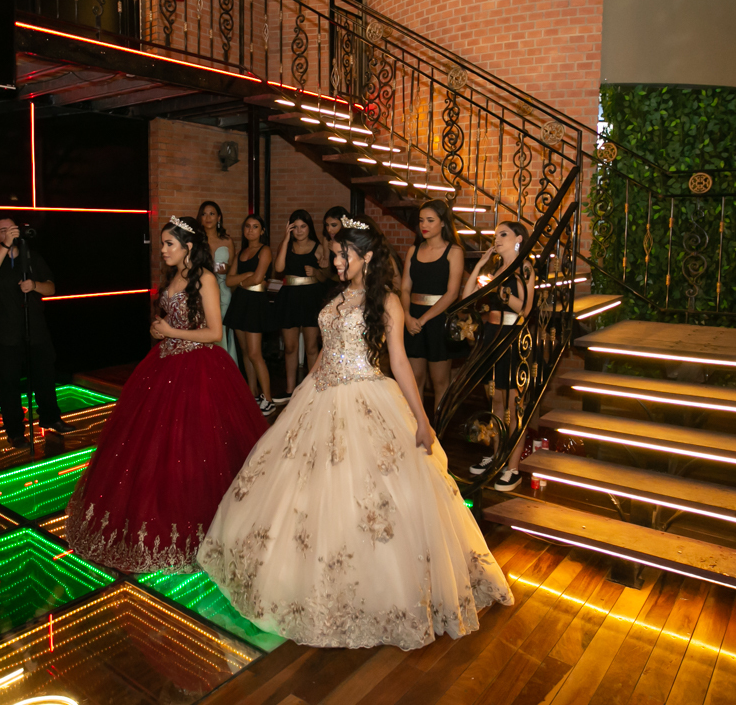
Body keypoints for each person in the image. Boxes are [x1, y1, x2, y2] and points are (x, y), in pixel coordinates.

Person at [198, 214, 513, 650]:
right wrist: (306, 386)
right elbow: (326, 351)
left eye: (343, 253)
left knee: (368, 497)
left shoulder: (386, 301)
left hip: (365, 394)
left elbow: (399, 361)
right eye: (335, 253)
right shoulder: (337, 293)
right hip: (319, 395)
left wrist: (421, 420)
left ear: (365, 256)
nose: (335, 259)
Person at [64, 216, 269, 573]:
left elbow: (214, 333)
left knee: (196, 448)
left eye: (168, 244)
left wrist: (172, 331)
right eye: (162, 244)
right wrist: (161, 331)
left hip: (199, 368)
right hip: (165, 364)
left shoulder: (205, 278)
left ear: (188, 247)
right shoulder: (174, 278)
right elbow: (174, 321)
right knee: (148, 446)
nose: (162, 250)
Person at [0, 216, 75, 451]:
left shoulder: (32, 257)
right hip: (3, 333)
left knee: (44, 376)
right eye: (2, 230)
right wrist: (5, 246)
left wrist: (34, 286)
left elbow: (51, 288)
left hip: (35, 328)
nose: (9, 233)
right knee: (8, 383)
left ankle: (50, 417)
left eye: (11, 228)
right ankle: (15, 432)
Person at [463, 221, 534, 492]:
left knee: (514, 406)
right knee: (495, 402)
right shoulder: (494, 270)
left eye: (503, 234)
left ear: (518, 239)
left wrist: (502, 292)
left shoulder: (525, 268)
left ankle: (512, 468)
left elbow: (526, 309)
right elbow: (467, 297)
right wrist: (480, 266)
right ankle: (496, 457)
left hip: (513, 337)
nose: (497, 239)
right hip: (491, 336)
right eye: (495, 235)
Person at [401, 200, 464, 413]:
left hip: (439, 319)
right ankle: (416, 426)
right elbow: (404, 289)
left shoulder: (454, 251)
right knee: (414, 378)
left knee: (440, 382)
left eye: (430, 220)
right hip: (413, 318)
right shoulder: (413, 250)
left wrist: (424, 319)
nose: (424, 225)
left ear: (443, 222)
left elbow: (452, 293)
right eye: (421, 221)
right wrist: (407, 316)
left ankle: (438, 430)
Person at [273, 209, 329, 403]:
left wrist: (316, 272)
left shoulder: (318, 247)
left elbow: (326, 276)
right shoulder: (286, 245)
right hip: (289, 297)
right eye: (294, 227)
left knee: (311, 347)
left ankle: (311, 391)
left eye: (303, 226)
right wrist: (285, 240)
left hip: (311, 298)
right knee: (290, 347)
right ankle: (290, 390)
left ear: (309, 227)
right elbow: (278, 268)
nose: (299, 231)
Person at [223, 215, 276, 417]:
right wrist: (244, 278)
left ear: (262, 231)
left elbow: (257, 278)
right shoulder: (241, 252)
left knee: (254, 353)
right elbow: (228, 281)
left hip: (255, 303)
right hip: (240, 303)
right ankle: (252, 393)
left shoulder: (265, 250)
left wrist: (241, 280)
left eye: (255, 227)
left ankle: (268, 398)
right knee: (245, 352)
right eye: (247, 226)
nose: (250, 230)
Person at [199, 201, 238, 363]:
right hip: (202, 289)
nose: (208, 218)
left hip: (224, 291)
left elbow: (234, 268)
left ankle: (225, 365)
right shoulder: (197, 241)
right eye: (204, 214)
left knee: (222, 327)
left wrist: (227, 268)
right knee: (205, 325)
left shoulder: (227, 241)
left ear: (219, 217)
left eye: (212, 214)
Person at [321, 206, 350, 284]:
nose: (329, 229)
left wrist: (337, 251)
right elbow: (327, 273)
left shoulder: (351, 241)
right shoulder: (327, 239)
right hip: (333, 281)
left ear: (344, 225)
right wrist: (324, 265)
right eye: (327, 225)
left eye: (334, 225)